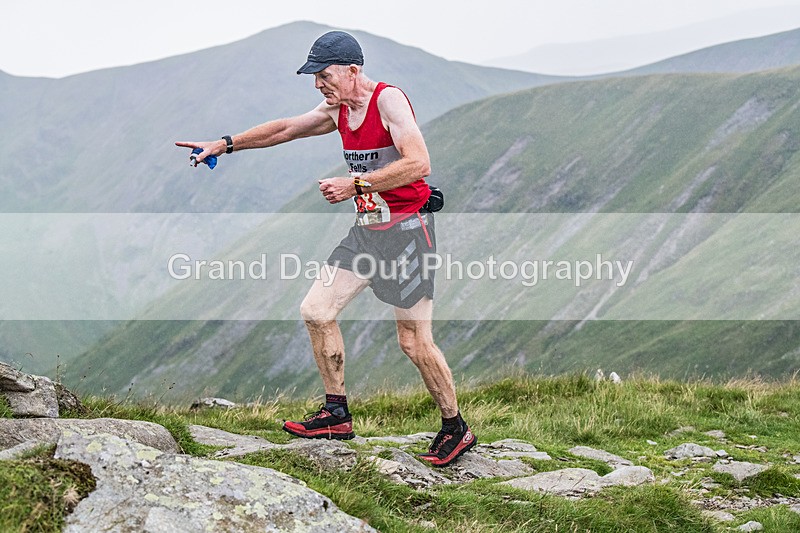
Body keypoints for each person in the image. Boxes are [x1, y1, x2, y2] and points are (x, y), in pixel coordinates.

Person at [176, 31, 476, 467]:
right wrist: (223, 144)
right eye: (315, 76)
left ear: (353, 70)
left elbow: (419, 163)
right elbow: (285, 129)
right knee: (317, 310)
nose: (318, 84)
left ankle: (455, 428)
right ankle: (336, 414)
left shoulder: (388, 101)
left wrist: (355, 183)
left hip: (409, 230)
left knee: (413, 342)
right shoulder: (338, 109)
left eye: (324, 75)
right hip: (368, 231)